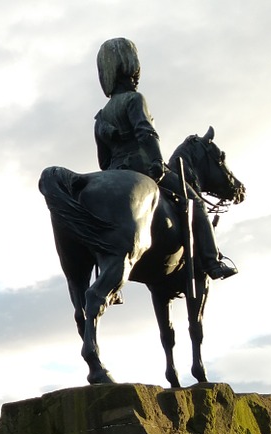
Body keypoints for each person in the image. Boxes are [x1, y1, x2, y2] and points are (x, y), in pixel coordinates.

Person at [93, 38, 237, 280]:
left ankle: (105, 272)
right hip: (143, 168)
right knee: (196, 204)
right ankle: (212, 263)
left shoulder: (101, 117)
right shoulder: (134, 100)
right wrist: (157, 164)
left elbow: (103, 160)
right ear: (130, 67)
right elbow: (146, 133)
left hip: (114, 173)